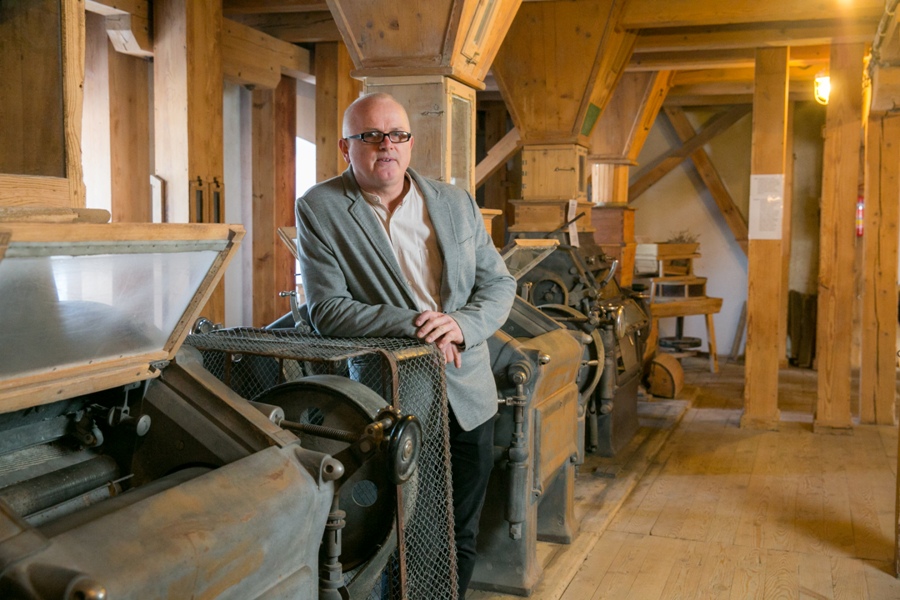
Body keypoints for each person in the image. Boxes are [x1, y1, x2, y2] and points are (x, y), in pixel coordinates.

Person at [295, 92, 516, 599]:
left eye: (397, 135)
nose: (386, 145)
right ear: (346, 147)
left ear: (410, 142)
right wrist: (418, 323)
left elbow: (499, 285)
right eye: (371, 136)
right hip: (393, 400)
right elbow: (328, 310)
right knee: (398, 533)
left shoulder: (455, 203)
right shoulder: (321, 208)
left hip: (469, 395)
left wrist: (459, 324)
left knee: (459, 533)